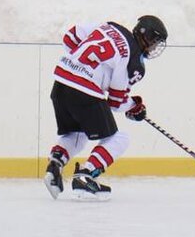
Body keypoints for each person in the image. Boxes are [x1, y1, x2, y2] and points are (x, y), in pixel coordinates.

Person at [43, 15, 169, 201]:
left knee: (78, 134)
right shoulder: (133, 60)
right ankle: (86, 175)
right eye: (154, 41)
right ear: (144, 36)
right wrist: (134, 107)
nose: (153, 47)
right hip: (84, 91)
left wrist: (79, 66)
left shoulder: (109, 27)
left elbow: (70, 37)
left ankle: (55, 165)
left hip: (61, 82)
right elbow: (116, 101)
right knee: (119, 139)